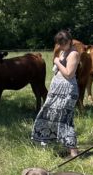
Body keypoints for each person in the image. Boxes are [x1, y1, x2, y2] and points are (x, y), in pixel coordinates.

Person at [31, 30, 81, 158]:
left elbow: (69, 74)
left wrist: (57, 62)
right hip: (57, 91)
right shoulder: (64, 51)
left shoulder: (74, 54)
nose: (60, 46)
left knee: (66, 119)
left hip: (67, 91)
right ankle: (50, 144)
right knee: (48, 114)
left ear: (69, 41)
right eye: (59, 44)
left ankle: (73, 152)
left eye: (63, 43)